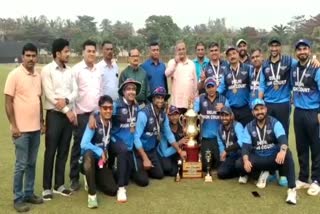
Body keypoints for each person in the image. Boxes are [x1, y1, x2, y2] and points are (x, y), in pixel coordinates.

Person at [4, 43, 44, 212]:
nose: (31, 59)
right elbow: (8, 102)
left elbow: (39, 100)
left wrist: (41, 121)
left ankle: (29, 193)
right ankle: (18, 198)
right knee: (21, 164)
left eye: (33, 55)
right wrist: (13, 125)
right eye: (27, 55)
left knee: (32, 163)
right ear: (22, 57)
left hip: (35, 129)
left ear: (37, 57)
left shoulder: (38, 75)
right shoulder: (14, 75)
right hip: (20, 130)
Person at [236, 98, 297, 205]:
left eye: (261, 108)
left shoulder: (274, 123)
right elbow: (245, 147)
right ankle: (262, 173)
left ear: (266, 109)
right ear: (252, 112)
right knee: (239, 163)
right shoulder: (249, 127)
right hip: (258, 157)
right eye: (256, 110)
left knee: (287, 153)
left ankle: (292, 190)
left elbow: (283, 138)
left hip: (273, 158)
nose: (260, 112)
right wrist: (246, 161)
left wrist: (282, 151)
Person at [41, 38, 77, 200]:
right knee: (51, 151)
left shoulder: (70, 71)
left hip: (67, 114)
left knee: (63, 151)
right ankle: (46, 187)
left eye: (68, 51)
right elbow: (49, 95)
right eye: (66, 51)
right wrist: (65, 109)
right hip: (54, 116)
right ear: (57, 53)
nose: (68, 54)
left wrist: (67, 102)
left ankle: (59, 185)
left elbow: (75, 91)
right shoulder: (47, 70)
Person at [134, 87, 186, 182]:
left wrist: (179, 151)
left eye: (163, 98)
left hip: (151, 150)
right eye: (158, 97)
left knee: (159, 175)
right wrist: (145, 158)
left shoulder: (163, 115)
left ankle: (145, 167)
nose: (161, 100)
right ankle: (137, 167)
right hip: (139, 152)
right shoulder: (144, 114)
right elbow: (136, 137)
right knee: (143, 181)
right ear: (153, 99)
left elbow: (169, 134)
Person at [70, 40, 102, 191]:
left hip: (95, 114)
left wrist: (98, 113)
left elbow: (99, 93)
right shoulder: (76, 70)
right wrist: (74, 114)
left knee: (93, 145)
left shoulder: (98, 70)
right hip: (81, 115)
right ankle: (74, 178)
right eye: (88, 51)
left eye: (93, 51)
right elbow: (71, 94)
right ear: (83, 52)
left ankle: (92, 174)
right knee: (78, 147)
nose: (91, 54)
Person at [291, 39, 320, 195]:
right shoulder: (294, 68)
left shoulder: (316, 69)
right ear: (296, 52)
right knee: (301, 147)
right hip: (299, 112)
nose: (302, 52)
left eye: (305, 49)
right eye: (299, 49)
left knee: (316, 147)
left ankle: (316, 179)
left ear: (309, 51)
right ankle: (303, 178)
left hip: (313, 112)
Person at [80, 95, 118, 208]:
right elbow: (83, 143)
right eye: (105, 108)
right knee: (88, 154)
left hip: (100, 164)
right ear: (100, 109)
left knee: (112, 190)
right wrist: (100, 151)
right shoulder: (94, 122)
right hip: (88, 161)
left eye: (110, 108)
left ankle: (91, 178)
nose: (108, 110)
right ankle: (92, 196)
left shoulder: (110, 121)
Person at [194, 77, 229, 173]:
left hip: (220, 137)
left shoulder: (223, 99)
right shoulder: (200, 99)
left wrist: (224, 108)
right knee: (205, 166)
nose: (210, 89)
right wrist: (196, 114)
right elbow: (193, 114)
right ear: (205, 88)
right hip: (206, 137)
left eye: (212, 86)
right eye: (208, 87)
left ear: (216, 86)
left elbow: (231, 116)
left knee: (220, 164)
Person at [218, 46, 253, 126]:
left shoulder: (248, 68)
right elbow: (221, 88)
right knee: (233, 135)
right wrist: (213, 94)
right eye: (229, 55)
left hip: (246, 108)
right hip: (231, 109)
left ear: (238, 54)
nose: (232, 56)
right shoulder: (225, 71)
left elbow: (253, 88)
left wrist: (252, 105)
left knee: (246, 135)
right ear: (227, 57)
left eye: (234, 53)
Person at [165, 41, 198, 114]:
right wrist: (175, 63)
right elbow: (167, 74)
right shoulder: (172, 62)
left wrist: (195, 99)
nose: (181, 51)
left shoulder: (191, 64)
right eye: (179, 49)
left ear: (186, 50)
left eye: (183, 49)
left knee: (189, 124)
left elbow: (195, 83)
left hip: (189, 104)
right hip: (176, 104)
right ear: (176, 51)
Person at [157, 105, 187, 176]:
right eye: (171, 115)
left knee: (178, 170)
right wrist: (179, 143)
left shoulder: (182, 127)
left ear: (179, 115)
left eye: (176, 114)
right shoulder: (165, 129)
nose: (174, 117)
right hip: (164, 155)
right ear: (168, 117)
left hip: (176, 154)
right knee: (167, 168)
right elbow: (165, 153)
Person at [217, 106, 244, 179]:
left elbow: (241, 142)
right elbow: (220, 144)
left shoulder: (237, 125)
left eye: (226, 115)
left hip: (239, 154)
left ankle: (242, 172)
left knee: (238, 163)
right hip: (229, 156)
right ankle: (238, 173)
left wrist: (227, 150)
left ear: (231, 116)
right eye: (222, 115)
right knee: (221, 173)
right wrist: (223, 155)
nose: (224, 118)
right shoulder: (219, 128)